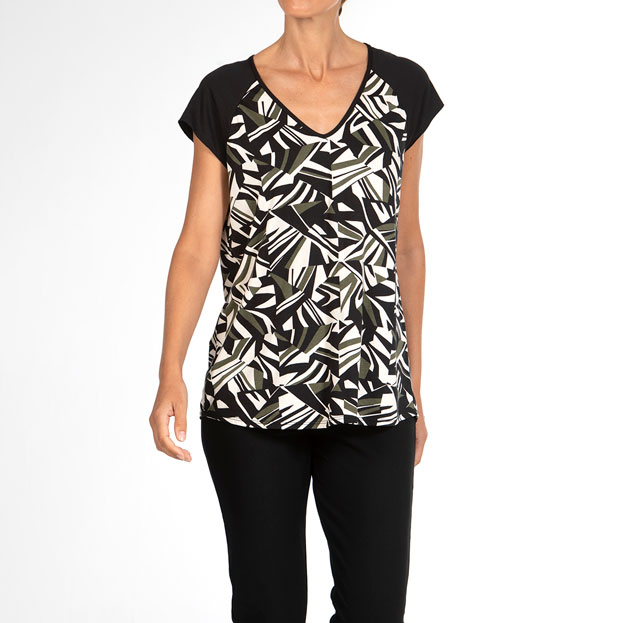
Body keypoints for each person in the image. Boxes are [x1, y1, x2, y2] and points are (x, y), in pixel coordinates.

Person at [149, 1, 444, 620]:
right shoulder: (226, 95)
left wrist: (414, 388)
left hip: (372, 393)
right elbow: (198, 244)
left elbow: (406, 246)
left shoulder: (402, 89)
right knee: (269, 608)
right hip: (252, 395)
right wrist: (169, 370)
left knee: (376, 608)